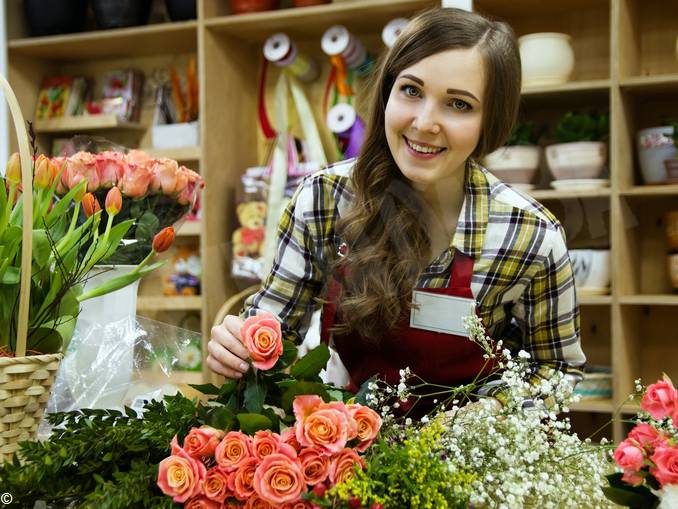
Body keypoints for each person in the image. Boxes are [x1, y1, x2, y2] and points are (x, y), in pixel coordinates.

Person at [208, 7, 586, 408]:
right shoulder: (323, 199)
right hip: (345, 445)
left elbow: (558, 371)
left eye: (458, 104)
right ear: (387, 92)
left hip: (470, 458)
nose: (424, 122)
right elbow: (272, 336)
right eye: (411, 90)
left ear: (491, 120)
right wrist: (239, 348)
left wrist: (489, 416)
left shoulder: (529, 234)